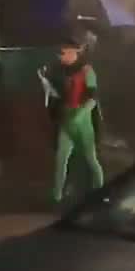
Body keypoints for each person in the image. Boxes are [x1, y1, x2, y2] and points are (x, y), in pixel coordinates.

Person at [48, 37, 104, 206]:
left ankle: (100, 193)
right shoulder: (61, 71)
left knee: (91, 159)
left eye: (63, 52)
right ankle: (56, 197)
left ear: (74, 53)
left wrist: (81, 114)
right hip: (67, 119)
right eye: (59, 53)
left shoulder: (87, 71)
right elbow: (57, 95)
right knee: (61, 159)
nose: (60, 56)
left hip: (83, 119)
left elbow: (94, 98)